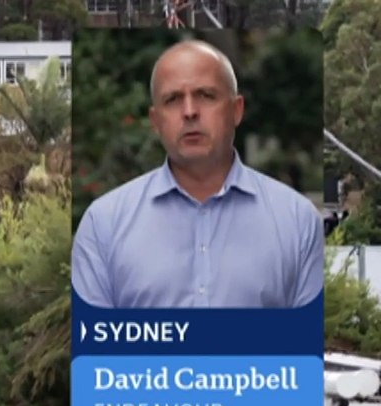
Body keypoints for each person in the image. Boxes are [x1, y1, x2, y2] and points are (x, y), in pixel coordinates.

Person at [70, 39, 323, 310]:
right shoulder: (104, 225)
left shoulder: (297, 222)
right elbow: (94, 337)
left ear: (236, 110)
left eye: (205, 95)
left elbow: (306, 336)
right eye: (173, 99)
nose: (190, 112)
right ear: (155, 121)